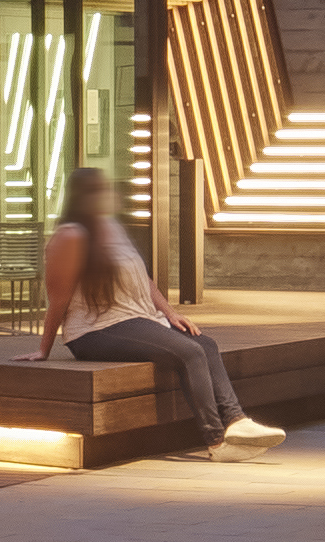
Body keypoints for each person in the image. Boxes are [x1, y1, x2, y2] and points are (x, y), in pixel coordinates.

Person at [39, 165, 278, 455]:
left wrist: (170, 313)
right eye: (101, 190)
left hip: (133, 319)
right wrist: (44, 349)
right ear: (84, 197)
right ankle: (216, 441)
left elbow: (145, 280)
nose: (109, 194)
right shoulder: (70, 236)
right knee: (189, 352)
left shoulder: (110, 228)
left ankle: (237, 420)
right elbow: (58, 298)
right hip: (93, 331)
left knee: (205, 343)